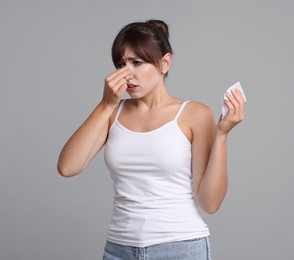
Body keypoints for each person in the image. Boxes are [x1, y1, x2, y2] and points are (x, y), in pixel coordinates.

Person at [57, 19, 245, 260]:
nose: (127, 74)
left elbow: (210, 203)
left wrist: (222, 134)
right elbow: (67, 167)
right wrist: (106, 104)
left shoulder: (194, 114)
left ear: (165, 63)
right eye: (121, 64)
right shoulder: (112, 112)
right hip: (119, 249)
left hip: (181, 247)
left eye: (137, 62)